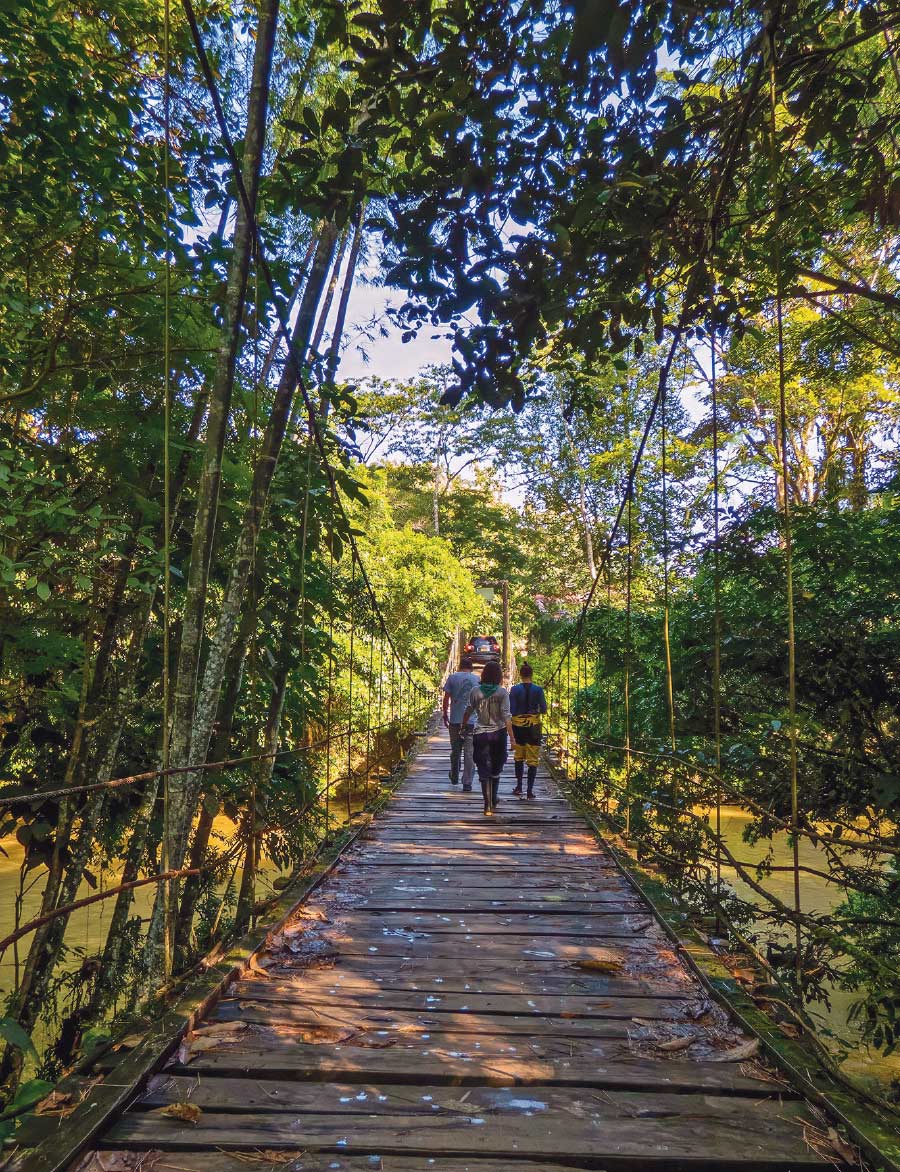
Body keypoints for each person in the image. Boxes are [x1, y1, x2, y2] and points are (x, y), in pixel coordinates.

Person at [461, 659, 513, 817]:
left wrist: (463, 727)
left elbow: (468, 710)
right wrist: (513, 738)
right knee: (496, 768)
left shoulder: (475, 691)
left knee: (483, 768)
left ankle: (487, 804)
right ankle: (493, 799)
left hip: (480, 733)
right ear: (499, 675)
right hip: (499, 734)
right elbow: (506, 716)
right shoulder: (502, 692)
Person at [508, 661, 547, 800]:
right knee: (533, 760)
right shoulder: (538, 690)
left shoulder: (514, 690)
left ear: (520, 674)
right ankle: (530, 791)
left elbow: (511, 710)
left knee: (518, 757)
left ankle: (519, 787)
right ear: (532, 674)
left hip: (517, 726)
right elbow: (544, 709)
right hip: (534, 727)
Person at [442, 655, 480, 791]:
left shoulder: (452, 678)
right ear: (471, 668)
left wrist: (445, 714)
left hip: (455, 720)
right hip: (471, 722)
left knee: (455, 750)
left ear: (459, 666)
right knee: (470, 753)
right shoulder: (477, 679)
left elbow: (446, 698)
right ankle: (467, 782)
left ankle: (454, 775)